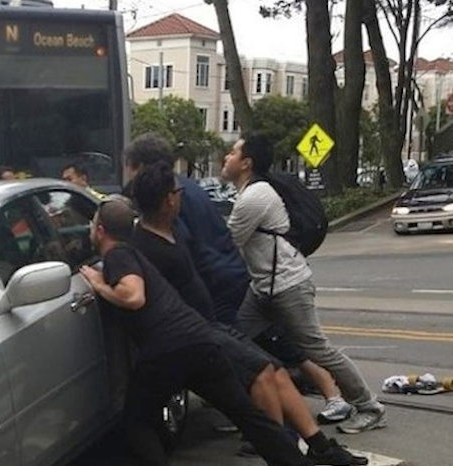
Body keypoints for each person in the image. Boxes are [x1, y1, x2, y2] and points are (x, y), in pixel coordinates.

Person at [128, 161, 366, 465]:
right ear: (168, 201)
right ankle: (287, 450)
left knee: (275, 368)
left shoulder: (174, 230)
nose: (182, 196)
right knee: (261, 378)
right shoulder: (145, 246)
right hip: (198, 334)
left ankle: (320, 444)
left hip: (212, 322)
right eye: (177, 192)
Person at [78, 199, 311, 466]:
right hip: (200, 340)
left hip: (166, 349)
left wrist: (98, 284)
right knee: (248, 416)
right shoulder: (132, 253)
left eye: (92, 225)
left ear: (100, 231)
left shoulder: (117, 255)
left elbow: (133, 296)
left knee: (136, 422)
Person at [222, 133, 387, 434]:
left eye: (232, 153)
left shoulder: (254, 197)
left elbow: (227, 242)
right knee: (237, 339)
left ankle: (369, 406)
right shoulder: (250, 193)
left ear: (246, 163)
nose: (226, 158)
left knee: (317, 349)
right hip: (264, 288)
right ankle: (259, 407)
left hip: (287, 285)